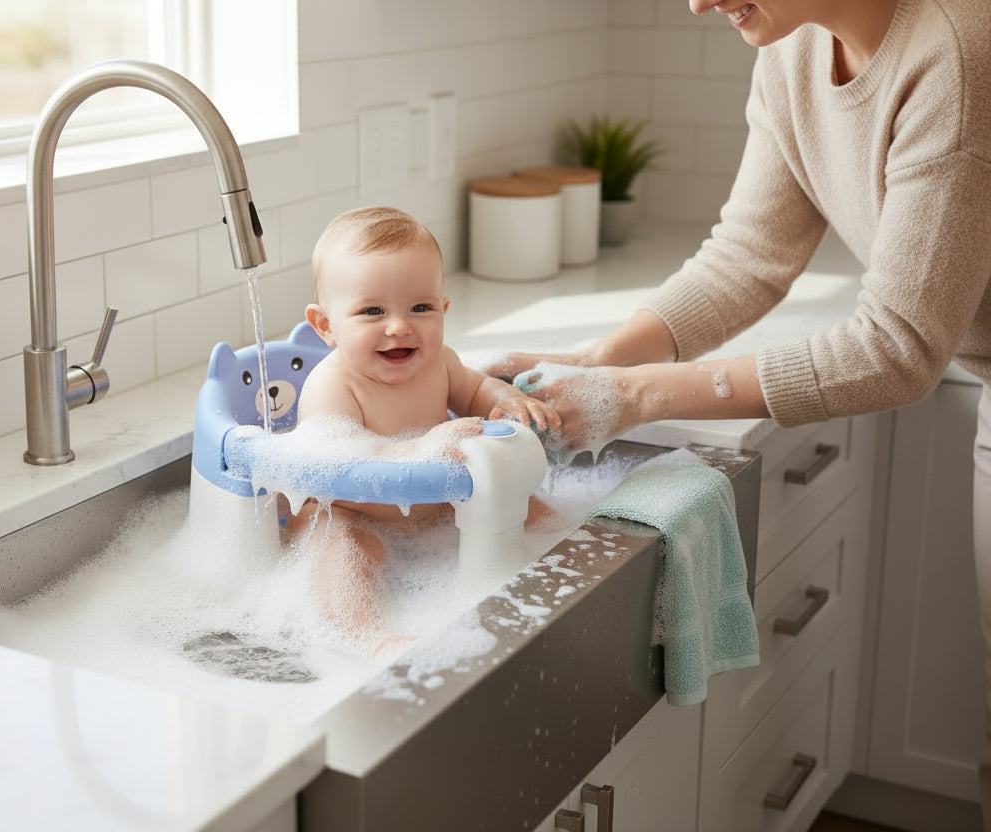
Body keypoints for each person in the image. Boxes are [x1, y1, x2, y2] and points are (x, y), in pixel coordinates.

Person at [488, 0, 991, 824]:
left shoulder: (959, 54)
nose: (696, 2)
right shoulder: (796, 51)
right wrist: (599, 361)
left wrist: (637, 396)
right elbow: (747, 258)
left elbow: (897, 350)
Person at [287, 206, 561, 651]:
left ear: (443, 309)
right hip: (351, 511)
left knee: (521, 503)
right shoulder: (331, 385)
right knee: (342, 548)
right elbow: (336, 466)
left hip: (436, 504)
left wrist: (505, 399)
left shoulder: (440, 362)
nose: (400, 326)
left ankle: (575, 554)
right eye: (372, 311)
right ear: (326, 326)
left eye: (421, 307)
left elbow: (475, 390)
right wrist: (422, 449)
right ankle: (366, 636)